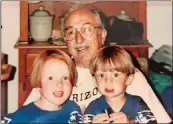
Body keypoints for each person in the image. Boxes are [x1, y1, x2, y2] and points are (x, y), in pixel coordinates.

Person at [24, 5, 171, 123]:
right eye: (70, 32)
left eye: (87, 30)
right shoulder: (55, 72)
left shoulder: (126, 74)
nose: (78, 39)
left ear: (102, 35)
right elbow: (26, 116)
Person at [84, 46, 157, 123]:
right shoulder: (93, 107)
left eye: (115, 75)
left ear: (128, 79)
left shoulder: (137, 104)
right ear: (95, 81)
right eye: (102, 75)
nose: (108, 81)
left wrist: (130, 122)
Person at [7, 49, 83, 123]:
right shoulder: (22, 118)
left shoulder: (73, 108)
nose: (59, 84)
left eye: (65, 78)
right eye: (50, 78)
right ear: (38, 82)